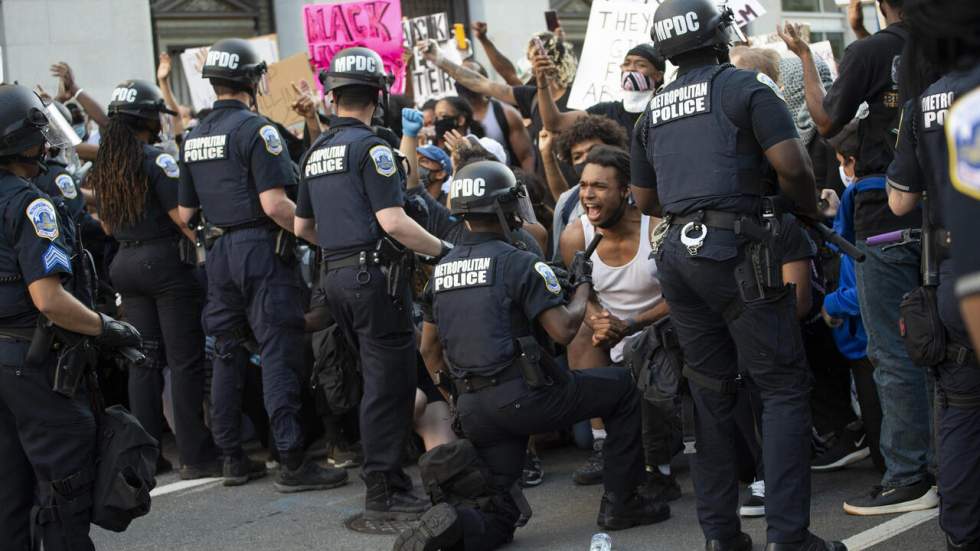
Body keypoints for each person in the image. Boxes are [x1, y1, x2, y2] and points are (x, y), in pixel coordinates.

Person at [633, 1, 843, 549]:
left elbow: (644, 199)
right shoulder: (747, 88)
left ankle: (721, 537)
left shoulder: (650, 112)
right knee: (782, 390)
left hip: (678, 255)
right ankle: (789, 537)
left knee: (710, 393)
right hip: (740, 252)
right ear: (720, 34)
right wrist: (806, 211)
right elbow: (794, 165)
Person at [394, 160, 670, 551]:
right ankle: (622, 503)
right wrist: (581, 287)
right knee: (623, 388)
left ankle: (457, 524)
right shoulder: (518, 261)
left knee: (500, 517)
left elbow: (429, 349)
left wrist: (453, 395)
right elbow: (564, 329)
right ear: (506, 208)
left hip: (474, 408)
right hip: (527, 397)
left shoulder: (443, 269)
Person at [778, 0, 937, 517]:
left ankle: (910, 476)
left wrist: (803, 55)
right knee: (953, 347)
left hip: (885, 220)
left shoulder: (871, 52)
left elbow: (825, 122)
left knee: (893, 353)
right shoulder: (950, 47)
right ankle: (954, 466)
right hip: (947, 213)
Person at [177, 37, 348, 492]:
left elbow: (186, 214)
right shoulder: (259, 131)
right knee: (278, 350)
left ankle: (232, 457)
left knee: (228, 352)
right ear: (252, 80)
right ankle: (292, 460)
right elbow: (275, 205)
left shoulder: (193, 135)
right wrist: (322, 239)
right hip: (261, 250)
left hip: (219, 253)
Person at [294, 47, 450, 520]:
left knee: (376, 382)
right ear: (378, 99)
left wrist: (342, 247)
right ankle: (385, 488)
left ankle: (386, 481)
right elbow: (394, 221)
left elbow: (302, 228)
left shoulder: (315, 151)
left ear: (333, 95)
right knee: (390, 386)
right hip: (373, 279)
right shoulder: (372, 148)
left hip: (335, 277)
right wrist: (445, 251)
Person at [0, 83, 141, 551]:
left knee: (9, 493)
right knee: (65, 487)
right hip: (35, 361)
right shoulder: (29, 203)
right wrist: (107, 328)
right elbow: (49, 299)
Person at [86, 78, 220, 479]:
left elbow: (107, 228)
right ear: (147, 118)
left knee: (143, 362)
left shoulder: (106, 166)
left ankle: (146, 458)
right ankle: (196, 456)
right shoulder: (156, 159)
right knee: (183, 362)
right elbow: (182, 218)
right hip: (163, 263)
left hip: (125, 264)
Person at [885, 1, 980, 547]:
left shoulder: (923, 101)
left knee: (963, 411)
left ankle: (961, 536)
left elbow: (899, 201)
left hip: (951, 273)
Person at [557, 145, 680, 501]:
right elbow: (583, 294)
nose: (587, 195)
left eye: (599, 186)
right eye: (583, 185)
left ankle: (659, 457)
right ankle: (601, 443)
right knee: (578, 328)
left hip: (658, 335)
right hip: (608, 340)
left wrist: (633, 323)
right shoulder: (575, 236)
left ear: (626, 190)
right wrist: (600, 321)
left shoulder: (656, 229)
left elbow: (679, 298)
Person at [419, 31, 578, 178]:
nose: (534, 62)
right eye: (532, 58)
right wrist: (439, 59)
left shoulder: (577, 98)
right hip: (548, 191)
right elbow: (479, 82)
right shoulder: (531, 96)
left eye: (538, 56)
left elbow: (553, 122)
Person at [538, 44, 666, 139]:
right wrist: (542, 81)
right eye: (626, 64)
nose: (631, 69)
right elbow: (555, 123)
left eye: (640, 65)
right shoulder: (605, 112)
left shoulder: (665, 110)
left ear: (658, 76)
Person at [548, 115, 629, 256]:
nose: (586, 159)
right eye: (577, 156)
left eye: (593, 150)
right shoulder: (566, 203)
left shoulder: (641, 194)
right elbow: (560, 264)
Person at [455, 58, 535, 172]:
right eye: (461, 75)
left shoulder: (506, 114)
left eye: (469, 74)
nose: (465, 80)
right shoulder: (456, 118)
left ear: (482, 80)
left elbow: (526, 156)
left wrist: (528, 185)